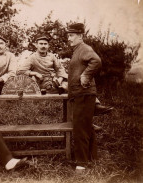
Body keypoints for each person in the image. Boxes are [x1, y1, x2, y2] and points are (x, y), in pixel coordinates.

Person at [17, 35, 113, 117]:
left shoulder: (52, 56)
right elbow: (19, 71)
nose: (43, 46)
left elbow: (60, 69)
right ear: (36, 45)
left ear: (48, 45)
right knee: (74, 88)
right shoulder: (32, 58)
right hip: (43, 86)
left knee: (78, 83)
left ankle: (94, 106)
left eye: (45, 44)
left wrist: (60, 78)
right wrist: (34, 73)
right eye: (41, 44)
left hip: (55, 81)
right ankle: (89, 109)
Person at [66, 23, 101, 171]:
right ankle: (92, 158)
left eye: (71, 35)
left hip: (84, 94)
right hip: (81, 94)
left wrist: (86, 75)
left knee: (80, 128)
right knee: (86, 126)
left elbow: (97, 61)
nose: (69, 38)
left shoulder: (84, 48)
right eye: (68, 35)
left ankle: (81, 164)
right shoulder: (77, 50)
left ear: (80, 36)